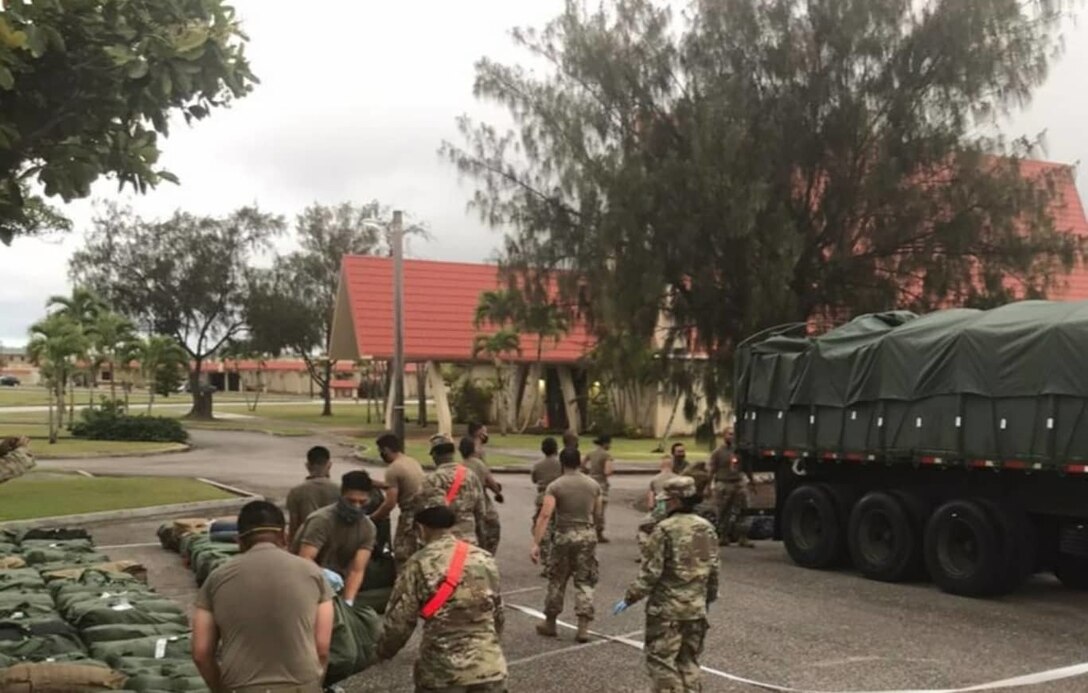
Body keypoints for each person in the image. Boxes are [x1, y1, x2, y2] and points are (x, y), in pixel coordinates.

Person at [192, 500, 334, 693]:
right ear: (284, 536)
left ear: (239, 541)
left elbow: (201, 653)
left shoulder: (216, 578)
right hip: (301, 686)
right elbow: (322, 647)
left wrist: (220, 689)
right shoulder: (313, 574)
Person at [377, 505, 507, 693]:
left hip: (442, 671)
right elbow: (497, 612)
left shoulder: (418, 563)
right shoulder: (483, 558)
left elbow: (400, 621)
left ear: (420, 529)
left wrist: (383, 651)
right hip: (490, 667)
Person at [614, 476, 719, 693]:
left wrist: (630, 597)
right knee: (688, 661)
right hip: (695, 608)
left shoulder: (664, 529)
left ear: (676, 501)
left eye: (666, 501)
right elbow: (711, 568)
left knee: (661, 662)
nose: (663, 505)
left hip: (667, 610)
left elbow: (651, 573)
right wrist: (707, 598)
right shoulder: (705, 528)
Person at [531, 447, 601, 643]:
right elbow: (597, 513)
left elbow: (545, 515)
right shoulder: (593, 485)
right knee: (585, 580)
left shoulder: (555, 486)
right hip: (587, 533)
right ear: (579, 462)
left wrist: (536, 543)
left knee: (557, 579)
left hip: (564, 534)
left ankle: (550, 622)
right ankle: (583, 627)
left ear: (562, 463)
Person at [291, 471, 378, 606]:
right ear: (341, 496)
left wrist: (348, 602)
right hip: (305, 579)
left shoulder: (368, 528)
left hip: (337, 584)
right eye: (351, 501)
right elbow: (305, 558)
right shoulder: (321, 520)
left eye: (362, 502)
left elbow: (357, 569)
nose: (356, 507)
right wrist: (322, 574)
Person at [369, 432, 427, 571]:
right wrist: (376, 484)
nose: (380, 454)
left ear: (386, 449)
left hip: (409, 517)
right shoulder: (411, 461)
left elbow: (390, 503)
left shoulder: (393, 469)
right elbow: (401, 485)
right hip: (423, 514)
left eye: (380, 451)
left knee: (402, 555)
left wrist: (372, 519)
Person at [418, 434, 488, 545]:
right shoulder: (471, 476)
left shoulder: (432, 480)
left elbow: (427, 518)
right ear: (453, 452)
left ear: (434, 455)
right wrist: (482, 543)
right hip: (469, 542)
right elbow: (480, 513)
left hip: (444, 544)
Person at [708, 429, 755, 548]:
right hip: (723, 483)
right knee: (723, 511)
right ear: (724, 436)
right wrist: (708, 486)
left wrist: (752, 482)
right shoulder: (718, 452)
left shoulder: (740, 451)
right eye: (729, 434)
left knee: (743, 510)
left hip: (738, 483)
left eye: (733, 434)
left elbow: (747, 467)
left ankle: (743, 537)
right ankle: (723, 536)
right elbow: (712, 469)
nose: (731, 436)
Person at [285, 446, 341, 542]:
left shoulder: (296, 491)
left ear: (307, 465)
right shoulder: (340, 489)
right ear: (329, 465)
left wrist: (291, 544)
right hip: (332, 541)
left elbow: (294, 525)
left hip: (306, 541)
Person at [459, 436, 503, 555]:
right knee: (493, 531)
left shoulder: (460, 466)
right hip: (482, 504)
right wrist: (498, 493)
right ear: (473, 449)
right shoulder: (479, 464)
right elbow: (491, 482)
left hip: (466, 506)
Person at [530, 437, 563, 570]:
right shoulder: (561, 464)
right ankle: (558, 558)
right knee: (558, 527)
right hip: (559, 496)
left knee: (542, 526)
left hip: (543, 496)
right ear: (556, 449)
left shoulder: (538, 465)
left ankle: (546, 560)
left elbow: (534, 479)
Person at [637, 458, 678, 558]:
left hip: (661, 507)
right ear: (672, 466)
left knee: (644, 528)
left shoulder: (655, 479)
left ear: (661, 465)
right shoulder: (678, 479)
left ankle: (645, 552)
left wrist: (651, 510)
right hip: (675, 508)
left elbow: (651, 501)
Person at [583, 434, 614, 543]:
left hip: (590, 481)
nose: (610, 445)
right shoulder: (607, 455)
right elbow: (607, 471)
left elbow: (582, 464)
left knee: (590, 508)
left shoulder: (590, 453)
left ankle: (587, 530)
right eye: (609, 443)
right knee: (600, 509)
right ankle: (599, 532)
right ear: (605, 443)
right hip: (601, 483)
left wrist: (588, 471)